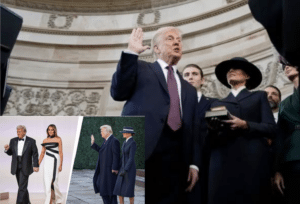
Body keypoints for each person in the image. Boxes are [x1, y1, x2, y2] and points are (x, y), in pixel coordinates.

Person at [110, 27, 200, 204]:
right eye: (170, 39)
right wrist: (130, 53)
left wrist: (193, 163)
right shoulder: (140, 68)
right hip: (144, 149)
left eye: (179, 40)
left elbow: (194, 129)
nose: (176, 42)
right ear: (156, 49)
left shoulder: (189, 89)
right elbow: (118, 92)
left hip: (176, 158)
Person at [207, 57, 276, 204]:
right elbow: (209, 138)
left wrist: (245, 124)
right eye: (228, 70)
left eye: (236, 68)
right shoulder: (216, 103)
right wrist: (212, 129)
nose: (230, 71)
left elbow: (271, 127)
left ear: (247, 76)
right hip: (223, 160)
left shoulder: (259, 96)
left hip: (252, 160)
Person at [182, 64, 217, 204]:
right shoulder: (173, 105)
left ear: (202, 80)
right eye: (186, 74)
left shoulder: (213, 103)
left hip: (206, 162)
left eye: (194, 74)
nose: (190, 77)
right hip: (178, 162)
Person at [273, 56, 300, 204]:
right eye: (284, 67)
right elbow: (280, 137)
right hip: (291, 157)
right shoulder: (284, 103)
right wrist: (277, 170)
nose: (286, 68)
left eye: (289, 64)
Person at [4, 125, 39, 204]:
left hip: (26, 166)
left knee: (22, 187)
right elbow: (10, 153)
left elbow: (35, 154)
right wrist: (7, 149)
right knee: (22, 187)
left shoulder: (31, 141)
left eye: (19, 132)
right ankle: (27, 202)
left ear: (25, 132)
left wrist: (36, 165)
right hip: (16, 166)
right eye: (17, 132)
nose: (18, 133)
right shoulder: (13, 140)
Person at [91, 125, 120, 204]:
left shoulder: (114, 140)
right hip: (103, 172)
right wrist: (93, 144)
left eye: (102, 131)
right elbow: (102, 151)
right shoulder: (106, 141)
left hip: (110, 172)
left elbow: (116, 155)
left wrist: (115, 168)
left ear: (108, 132)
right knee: (104, 193)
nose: (101, 133)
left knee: (111, 195)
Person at [39, 124, 63, 204]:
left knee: (54, 181)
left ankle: (58, 199)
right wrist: (38, 164)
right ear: (47, 131)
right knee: (46, 180)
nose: (50, 131)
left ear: (55, 130)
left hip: (55, 160)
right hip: (47, 161)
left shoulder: (58, 139)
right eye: (49, 130)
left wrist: (61, 165)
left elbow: (61, 153)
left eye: (52, 129)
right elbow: (42, 153)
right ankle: (49, 199)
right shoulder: (45, 140)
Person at [113, 126, 137, 204]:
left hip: (129, 170)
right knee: (118, 190)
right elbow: (122, 157)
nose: (123, 134)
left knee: (129, 191)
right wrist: (116, 168)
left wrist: (125, 169)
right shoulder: (124, 142)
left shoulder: (132, 143)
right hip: (122, 168)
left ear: (129, 133)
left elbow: (131, 158)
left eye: (124, 132)